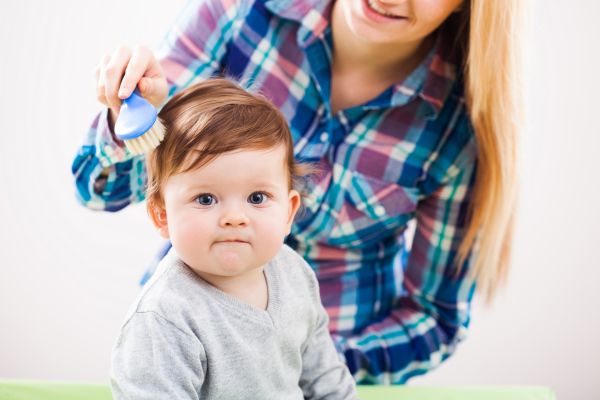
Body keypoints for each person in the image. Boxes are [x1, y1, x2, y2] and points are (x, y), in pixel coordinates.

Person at [73, 0, 522, 384]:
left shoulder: (458, 128)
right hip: (188, 357)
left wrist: (311, 362)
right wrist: (131, 119)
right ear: (161, 215)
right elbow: (99, 190)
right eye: (208, 199)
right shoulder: (242, 11)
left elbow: (433, 317)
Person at [110, 78, 358, 400]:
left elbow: (325, 378)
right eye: (205, 199)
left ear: (288, 211)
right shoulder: (165, 317)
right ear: (162, 215)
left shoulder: (294, 274)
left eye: (257, 198)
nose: (234, 217)